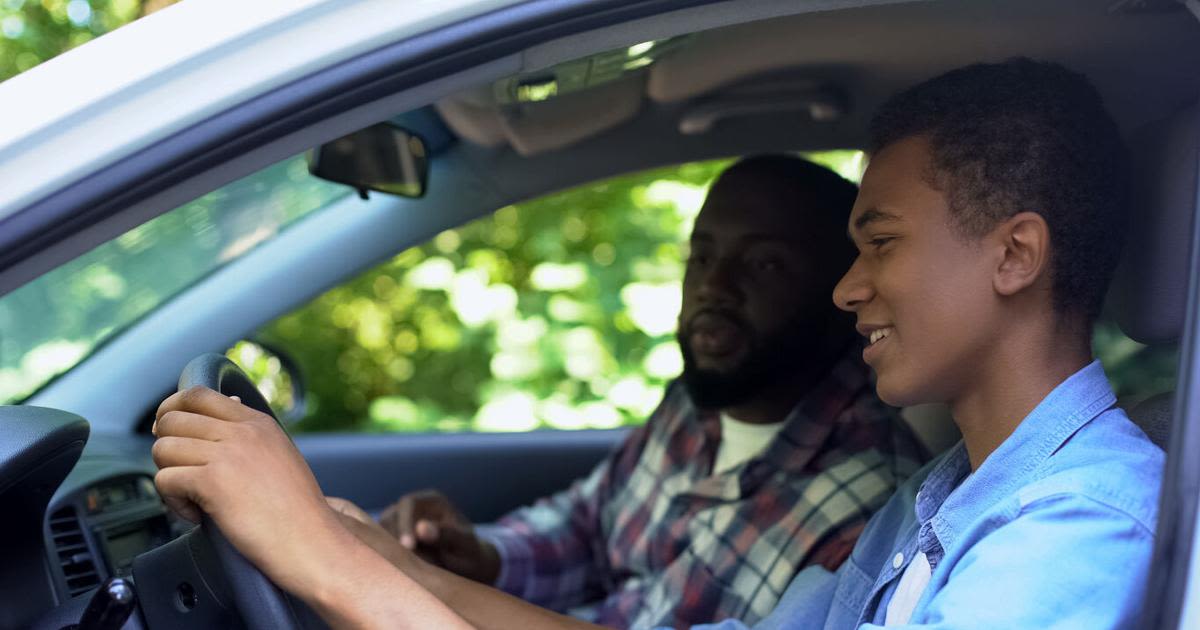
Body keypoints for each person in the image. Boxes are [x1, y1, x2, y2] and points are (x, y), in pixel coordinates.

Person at [150, 57, 1162, 629]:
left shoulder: (1076, 529)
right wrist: (371, 555)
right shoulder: (939, 502)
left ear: (1015, 254)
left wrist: (327, 568)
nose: (850, 289)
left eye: (880, 244)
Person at [155, 155, 926, 629]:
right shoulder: (702, 402)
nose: (713, 290)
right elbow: (590, 525)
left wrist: (349, 564)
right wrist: (480, 557)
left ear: (844, 294)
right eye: (702, 256)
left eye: (763, 267)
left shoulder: (862, 501)